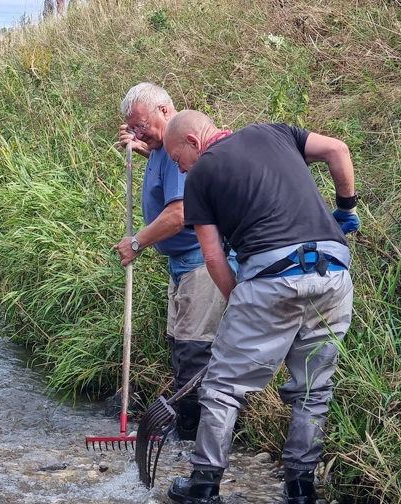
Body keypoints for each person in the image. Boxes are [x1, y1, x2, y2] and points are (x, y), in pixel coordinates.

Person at [162, 110, 358, 504]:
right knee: (312, 389)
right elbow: (338, 149)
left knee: (222, 387)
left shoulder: (201, 174)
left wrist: (242, 304)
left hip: (271, 277)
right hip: (333, 273)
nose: (180, 168)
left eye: (177, 159)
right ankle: (300, 488)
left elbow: (214, 259)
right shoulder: (276, 132)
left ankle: (203, 486)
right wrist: (346, 208)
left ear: (194, 143)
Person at [115, 82, 234, 440]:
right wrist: (143, 146)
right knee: (181, 344)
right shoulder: (161, 151)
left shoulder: (179, 150)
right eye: (131, 128)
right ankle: (187, 433)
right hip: (181, 264)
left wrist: (137, 242)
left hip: (201, 263)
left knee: (194, 349)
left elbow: (180, 213)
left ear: (165, 112)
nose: (137, 133)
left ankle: (195, 438)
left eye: (141, 125)